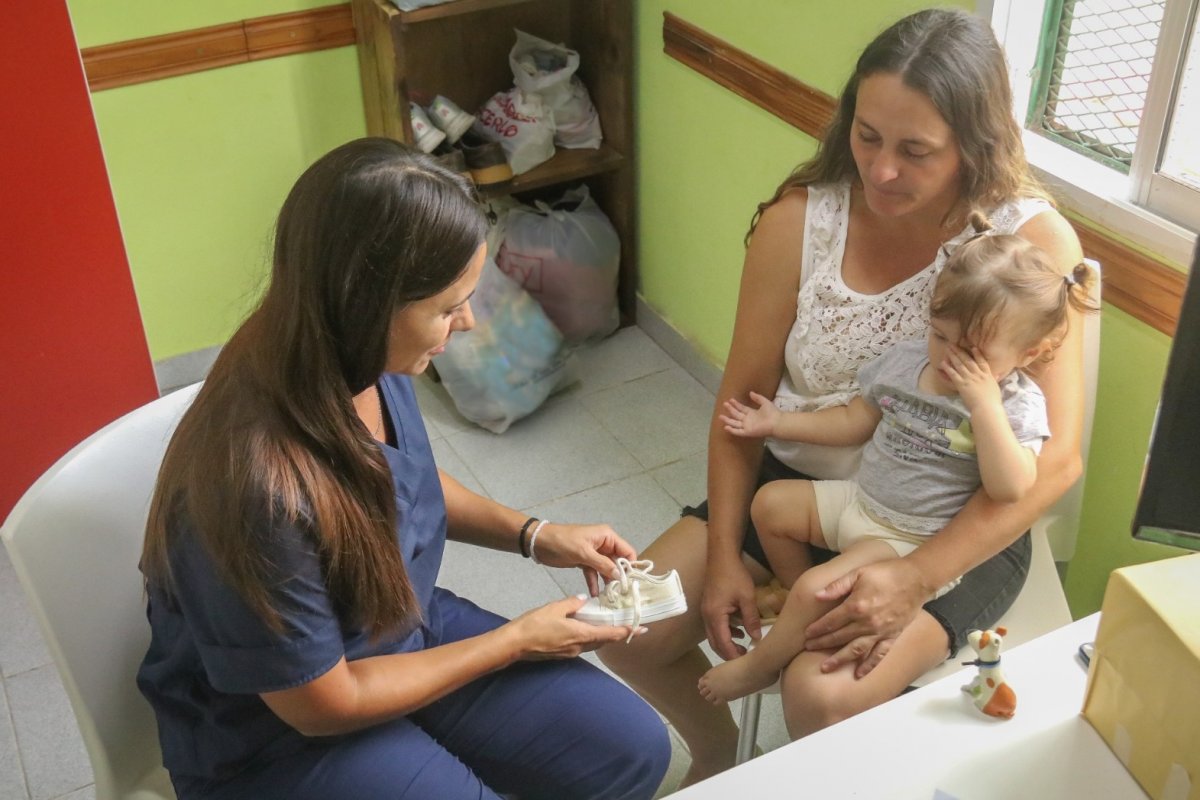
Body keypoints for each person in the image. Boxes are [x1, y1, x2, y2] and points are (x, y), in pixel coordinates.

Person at [598, 7, 1085, 785]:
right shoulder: (800, 220)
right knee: (627, 626)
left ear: (975, 144)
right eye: (867, 136)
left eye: (915, 150)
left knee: (820, 696)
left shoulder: (1029, 242)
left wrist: (916, 577)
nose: (882, 171)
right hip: (803, 491)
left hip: (946, 519)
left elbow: (1056, 463)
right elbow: (740, 408)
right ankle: (718, 754)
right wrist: (724, 557)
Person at [136, 138, 670, 800]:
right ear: (366, 300)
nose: (467, 322)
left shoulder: (357, 355)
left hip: (393, 625)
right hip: (275, 736)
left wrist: (535, 534)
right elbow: (323, 704)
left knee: (629, 749)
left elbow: (400, 481)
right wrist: (516, 640)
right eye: (447, 307)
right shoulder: (255, 487)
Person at [697, 222, 1095, 704]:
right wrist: (778, 423)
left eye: (972, 353)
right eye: (940, 335)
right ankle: (796, 598)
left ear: (1028, 353)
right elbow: (853, 422)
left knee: (815, 590)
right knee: (771, 505)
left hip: (910, 539)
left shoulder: (1015, 404)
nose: (949, 358)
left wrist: (984, 406)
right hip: (862, 502)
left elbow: (1011, 487)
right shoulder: (908, 362)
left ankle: (760, 666)